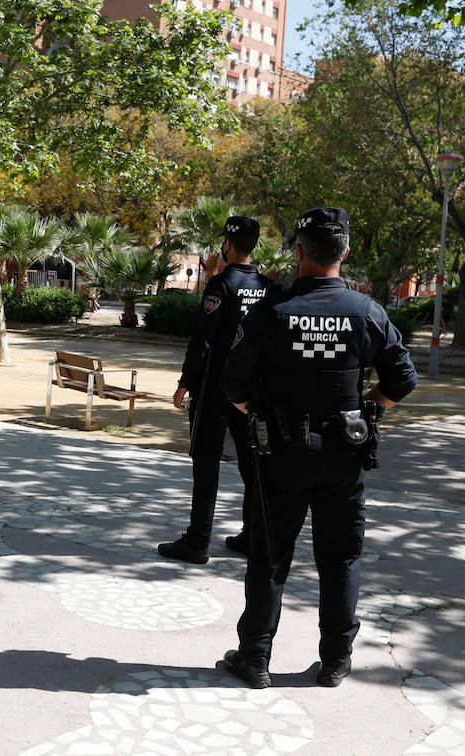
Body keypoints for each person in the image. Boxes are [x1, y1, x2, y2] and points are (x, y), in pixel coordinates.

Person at [218, 207, 417, 689]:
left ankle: (255, 659)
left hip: (280, 456)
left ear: (300, 252)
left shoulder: (272, 312)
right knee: (341, 559)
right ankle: (335, 661)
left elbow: (234, 383)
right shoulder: (366, 311)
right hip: (343, 456)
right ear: (344, 253)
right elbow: (402, 378)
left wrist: (260, 415)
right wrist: (370, 409)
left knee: (269, 559)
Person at [159, 216, 278, 565]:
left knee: (206, 465)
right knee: (252, 464)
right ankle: (252, 536)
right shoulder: (269, 288)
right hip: (251, 394)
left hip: (215, 392)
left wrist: (186, 382)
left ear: (227, 243)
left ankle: (197, 541)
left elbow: (203, 341)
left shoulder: (219, 284)